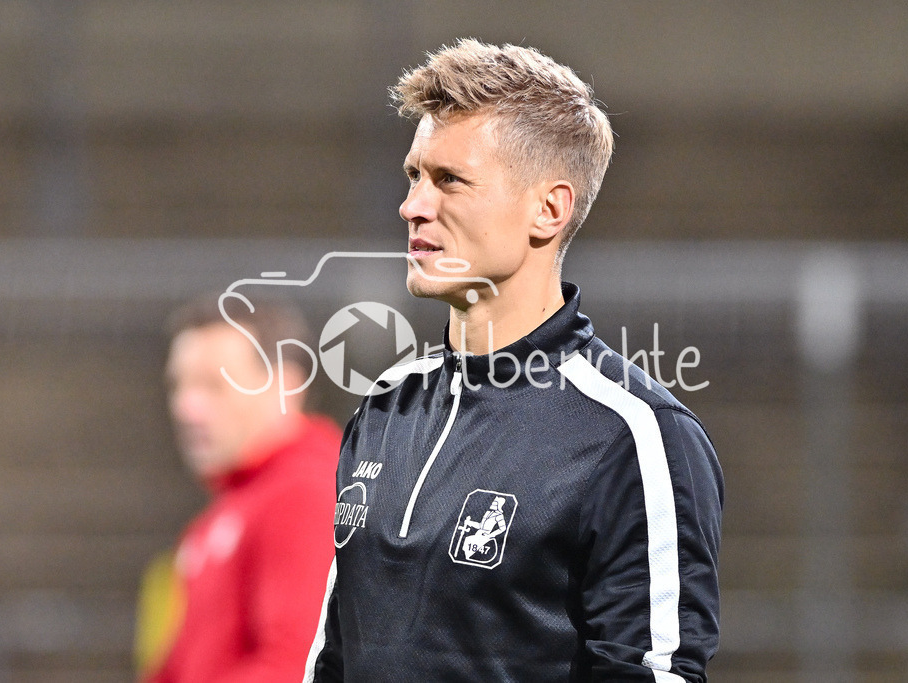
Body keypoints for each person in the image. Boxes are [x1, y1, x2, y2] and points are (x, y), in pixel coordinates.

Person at [305, 39, 723, 682]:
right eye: (415, 175)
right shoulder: (387, 403)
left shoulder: (634, 437)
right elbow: (333, 658)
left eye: (450, 180)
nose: (413, 205)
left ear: (548, 209)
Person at [138, 294, 341, 682]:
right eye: (179, 385)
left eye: (214, 385)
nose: (186, 407)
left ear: (286, 386)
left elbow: (294, 666)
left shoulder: (307, 493)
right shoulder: (230, 509)